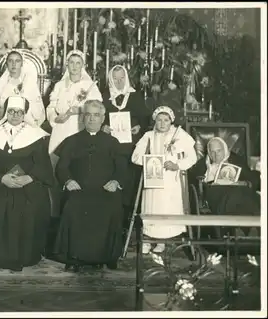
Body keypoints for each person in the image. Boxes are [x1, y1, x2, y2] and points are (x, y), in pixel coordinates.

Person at [0, 96, 54, 271]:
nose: (15, 115)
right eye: (11, 111)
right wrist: (1, 178)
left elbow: (42, 165)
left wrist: (30, 177)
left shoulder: (36, 136)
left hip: (28, 186)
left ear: (25, 114)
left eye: (19, 112)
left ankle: (26, 255)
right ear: (6, 113)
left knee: (30, 208)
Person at [53, 100, 126, 271]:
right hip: (79, 189)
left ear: (103, 118)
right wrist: (68, 181)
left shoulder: (113, 142)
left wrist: (116, 181)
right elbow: (62, 167)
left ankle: (107, 256)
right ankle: (75, 257)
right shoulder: (71, 141)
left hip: (106, 189)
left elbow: (122, 168)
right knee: (73, 205)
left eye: (96, 115)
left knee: (112, 206)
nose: (92, 119)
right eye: (88, 115)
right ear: (82, 118)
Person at [131, 106, 197, 254]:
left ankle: (161, 241)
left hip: (170, 179)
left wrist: (177, 165)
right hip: (153, 176)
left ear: (171, 121)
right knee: (151, 207)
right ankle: (147, 240)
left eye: (166, 120)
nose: (162, 123)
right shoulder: (148, 135)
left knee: (165, 208)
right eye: (159, 120)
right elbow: (135, 156)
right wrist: (150, 160)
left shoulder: (180, 135)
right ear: (154, 121)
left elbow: (192, 158)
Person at [101, 65, 152, 229]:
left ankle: (129, 220)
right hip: (111, 146)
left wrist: (139, 127)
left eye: (121, 78)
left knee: (130, 181)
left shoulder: (135, 96)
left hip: (131, 146)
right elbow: (99, 117)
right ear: (110, 79)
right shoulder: (105, 96)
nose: (119, 82)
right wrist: (104, 127)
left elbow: (145, 119)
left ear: (126, 78)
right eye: (115, 79)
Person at [188, 137, 260, 236]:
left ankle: (241, 230)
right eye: (212, 152)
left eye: (219, 151)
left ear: (225, 149)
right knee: (244, 198)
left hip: (237, 193)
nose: (216, 155)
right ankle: (245, 229)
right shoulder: (203, 164)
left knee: (247, 196)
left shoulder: (235, 160)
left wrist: (244, 183)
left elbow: (252, 179)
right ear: (208, 152)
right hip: (215, 194)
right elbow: (194, 181)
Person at [46, 50, 103, 168]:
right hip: (61, 128)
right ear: (67, 64)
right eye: (71, 62)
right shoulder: (59, 85)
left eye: (78, 63)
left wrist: (79, 110)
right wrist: (56, 118)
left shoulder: (89, 85)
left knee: (78, 162)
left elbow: (98, 108)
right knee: (57, 161)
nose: (74, 66)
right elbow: (51, 107)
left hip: (80, 127)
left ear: (83, 65)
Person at [0, 49, 45, 127]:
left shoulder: (30, 83)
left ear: (22, 64)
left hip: (26, 125)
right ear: (6, 64)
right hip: (5, 125)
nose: (14, 64)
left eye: (17, 61)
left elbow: (39, 111)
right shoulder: (1, 85)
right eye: (10, 61)